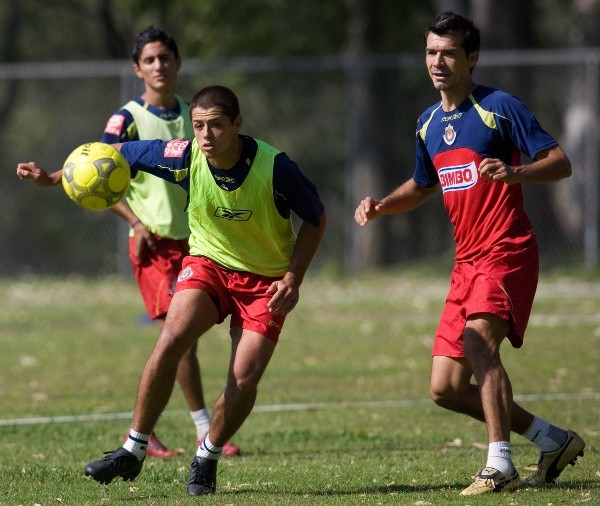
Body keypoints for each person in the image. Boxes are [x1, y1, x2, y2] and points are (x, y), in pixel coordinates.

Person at [17, 85, 326, 496]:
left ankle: (207, 456)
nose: (206, 136)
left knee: (244, 379)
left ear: (237, 124)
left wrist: (293, 277)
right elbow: (116, 154)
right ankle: (133, 447)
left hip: (264, 284)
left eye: (216, 125)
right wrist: (56, 177)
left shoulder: (276, 167)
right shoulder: (183, 154)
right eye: (198, 125)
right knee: (171, 338)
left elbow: (317, 217)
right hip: (209, 265)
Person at [354, 11, 584, 496]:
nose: (438, 61)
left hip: (507, 251)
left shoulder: (499, 107)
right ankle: (552, 439)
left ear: (471, 58)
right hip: (466, 263)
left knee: (479, 345)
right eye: (431, 52)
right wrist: (381, 206)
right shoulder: (428, 123)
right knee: (445, 387)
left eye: (449, 53)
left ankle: (499, 466)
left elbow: (560, 162)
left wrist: (516, 174)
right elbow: (421, 185)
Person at [106, 26, 240, 458]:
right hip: (153, 244)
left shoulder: (194, 112)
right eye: (150, 60)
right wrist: (134, 221)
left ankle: (155, 431)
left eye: (165, 58)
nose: (159, 66)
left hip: (197, 243)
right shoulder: (126, 119)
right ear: (137, 69)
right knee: (174, 334)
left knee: (183, 339)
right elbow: (95, 171)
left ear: (177, 63)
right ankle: (189, 428)